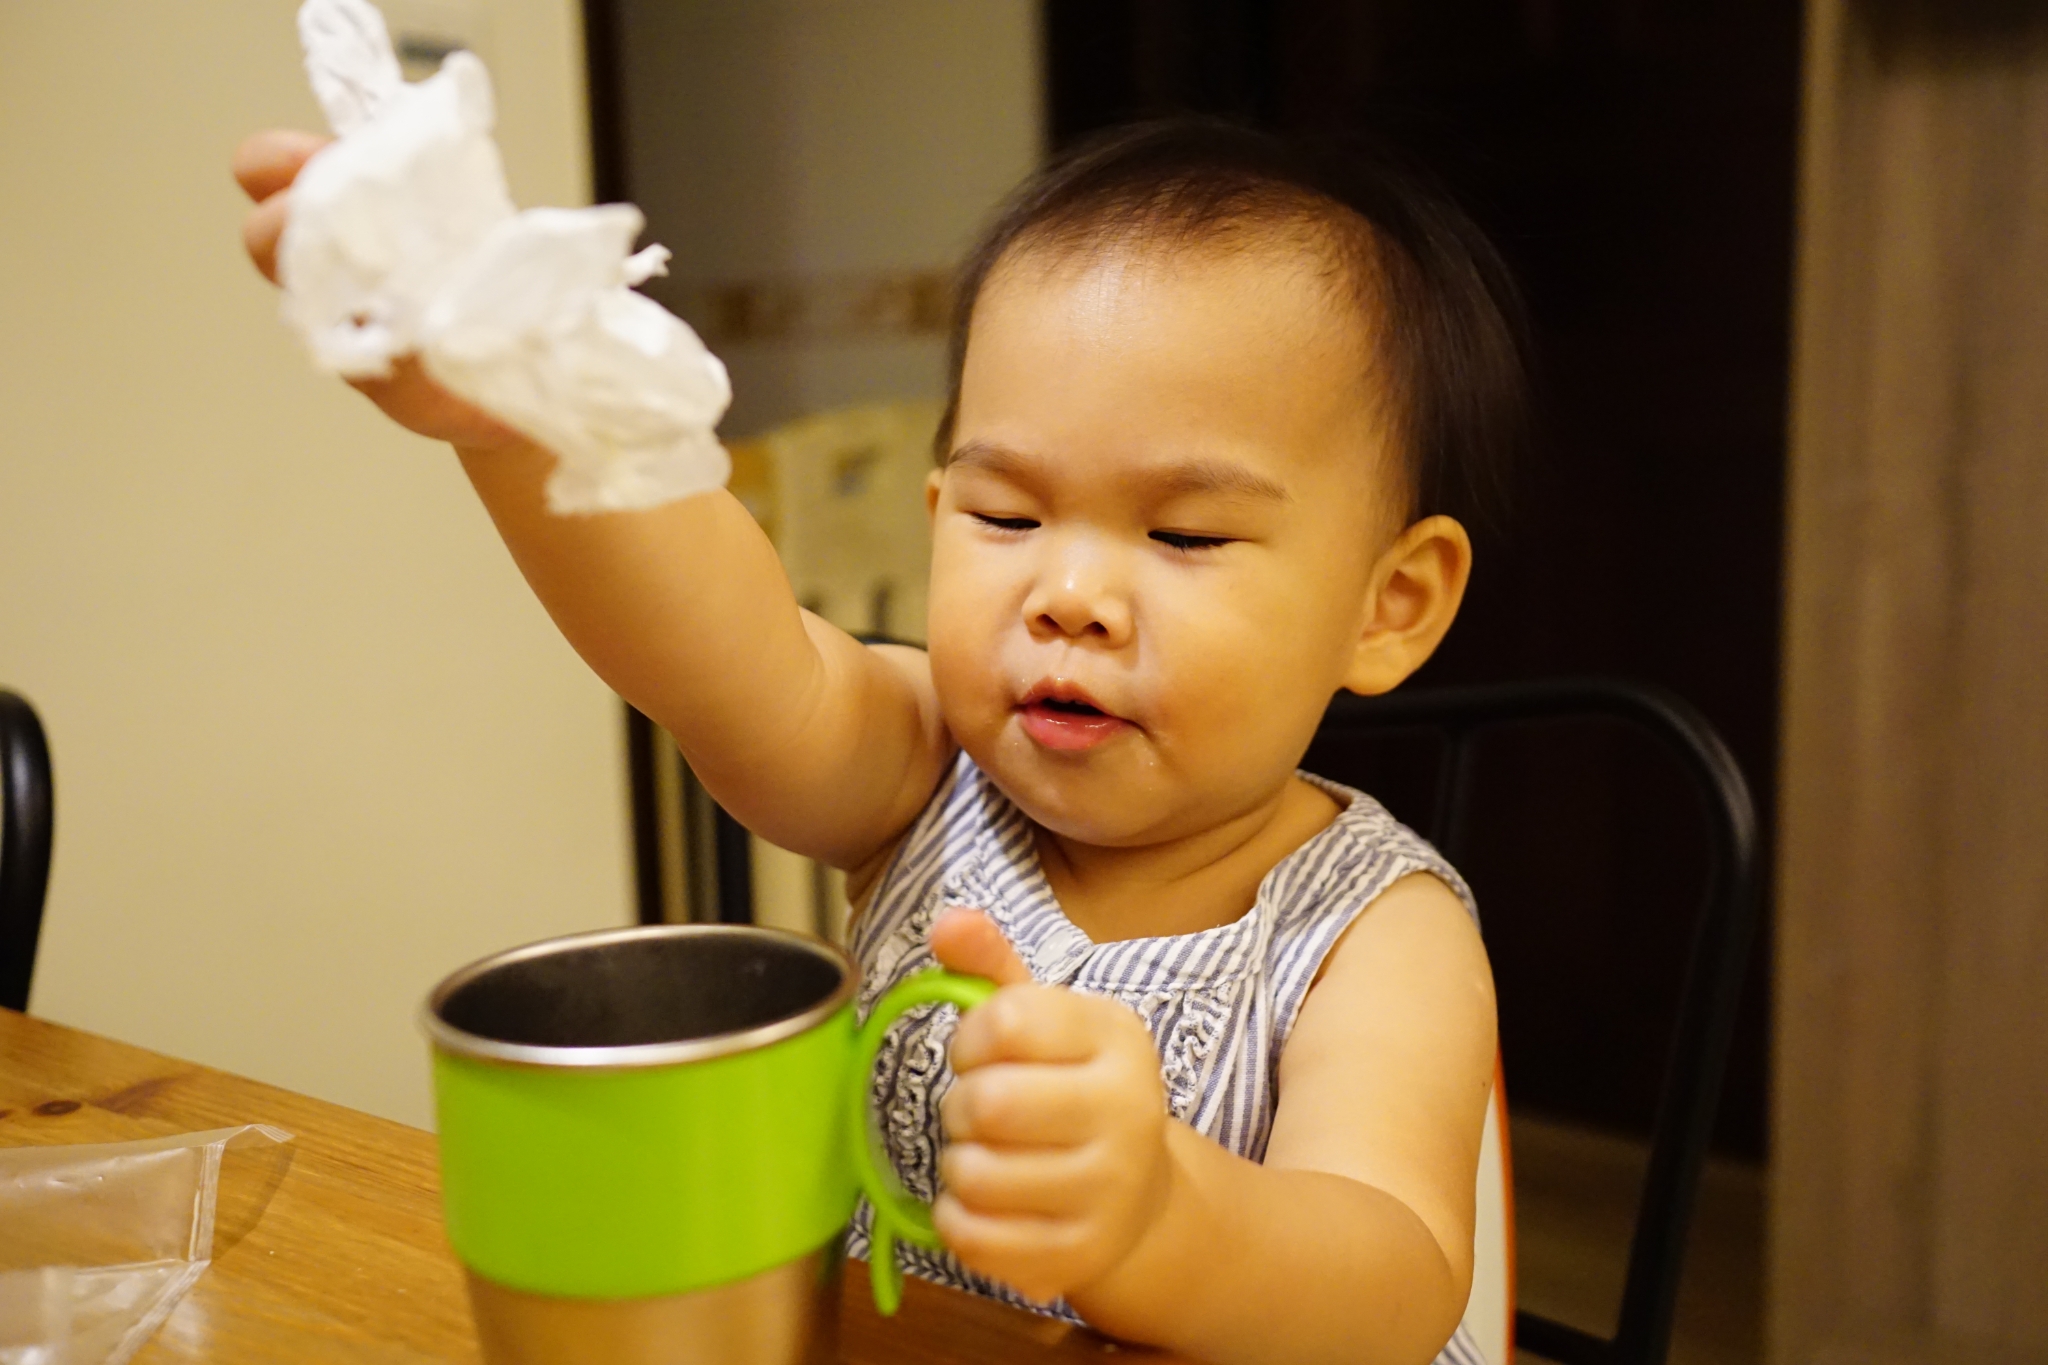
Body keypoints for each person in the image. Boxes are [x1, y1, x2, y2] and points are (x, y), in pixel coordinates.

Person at [233, 117, 1524, 1365]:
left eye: (1183, 534)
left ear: (1389, 605)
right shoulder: (926, 768)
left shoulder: (1377, 932)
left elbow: (1392, 1285)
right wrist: (520, 412)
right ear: (938, 507)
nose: (1069, 593)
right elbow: (722, 651)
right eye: (1007, 515)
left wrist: (1162, 1214)